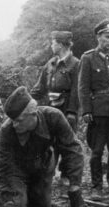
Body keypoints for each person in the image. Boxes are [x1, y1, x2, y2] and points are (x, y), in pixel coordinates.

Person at [0, 86, 86, 207]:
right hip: (16, 172)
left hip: (43, 167)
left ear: (33, 114)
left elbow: (73, 149)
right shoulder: (7, 130)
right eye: (13, 120)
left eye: (19, 120)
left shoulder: (53, 117)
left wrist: (74, 185)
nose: (14, 125)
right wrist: (8, 200)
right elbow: (3, 166)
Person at [78, 19, 109, 200]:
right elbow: (83, 87)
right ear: (99, 37)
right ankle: (96, 187)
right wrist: (86, 111)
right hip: (98, 110)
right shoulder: (88, 58)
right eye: (107, 37)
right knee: (97, 150)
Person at [31, 31, 80, 185]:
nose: (51, 45)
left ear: (60, 44)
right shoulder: (51, 63)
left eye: (53, 42)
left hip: (67, 108)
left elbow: (77, 90)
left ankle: (66, 175)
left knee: (67, 142)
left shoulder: (76, 63)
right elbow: (40, 87)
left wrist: (72, 111)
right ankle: (50, 172)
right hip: (51, 108)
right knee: (50, 141)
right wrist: (28, 99)